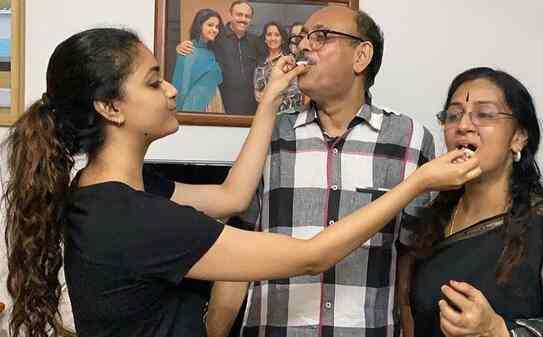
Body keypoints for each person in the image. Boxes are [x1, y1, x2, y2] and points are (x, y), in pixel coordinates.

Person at [2, 28, 480, 337]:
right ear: (110, 108)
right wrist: (416, 183)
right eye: (152, 82)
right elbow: (311, 256)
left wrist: (270, 100)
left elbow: (232, 195)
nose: (171, 88)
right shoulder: (135, 219)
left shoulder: (111, 190)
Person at [206, 7, 439, 337]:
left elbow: (412, 258)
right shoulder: (270, 133)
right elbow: (238, 249)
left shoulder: (410, 139)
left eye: (321, 37)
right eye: (300, 39)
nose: (302, 46)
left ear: (361, 57)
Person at [401, 67, 543, 337]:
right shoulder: (429, 226)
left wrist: (497, 330)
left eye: (484, 114)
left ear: (518, 137)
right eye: (453, 115)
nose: (463, 126)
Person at [177, 1, 263, 115]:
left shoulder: (256, 42)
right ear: (230, 15)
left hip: (251, 107)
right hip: (222, 105)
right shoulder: (217, 37)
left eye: (247, 16)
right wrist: (180, 47)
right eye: (239, 14)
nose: (243, 19)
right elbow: (199, 47)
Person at [171, 8, 224, 113]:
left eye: (217, 27)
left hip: (214, 102)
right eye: (210, 25)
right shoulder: (188, 49)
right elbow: (182, 87)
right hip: (194, 106)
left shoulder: (212, 51)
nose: (214, 29)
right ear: (199, 25)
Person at [253, 21, 303, 112]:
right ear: (265, 38)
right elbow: (258, 96)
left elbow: (295, 92)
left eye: (277, 35)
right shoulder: (260, 64)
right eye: (269, 34)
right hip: (265, 115)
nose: (272, 38)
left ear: (282, 39)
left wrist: (270, 94)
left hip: (287, 114)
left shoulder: (289, 61)